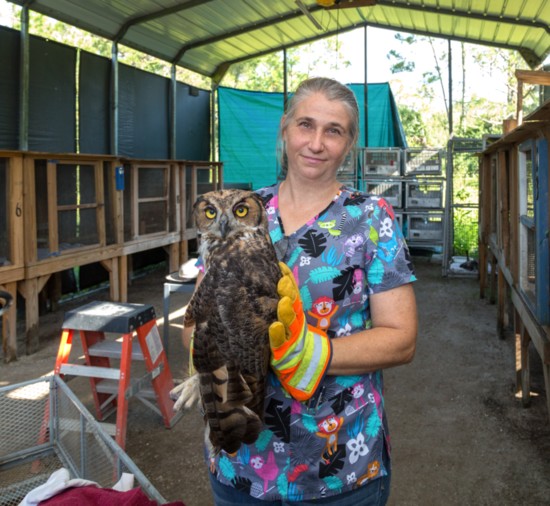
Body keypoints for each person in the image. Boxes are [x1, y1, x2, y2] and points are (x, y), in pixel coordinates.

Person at [182, 77, 417, 505]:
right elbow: (194, 322)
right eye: (305, 125)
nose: (316, 142)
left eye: (334, 130)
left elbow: (401, 339)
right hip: (243, 460)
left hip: (339, 461)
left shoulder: (370, 218)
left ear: (349, 145)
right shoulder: (239, 212)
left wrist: (311, 354)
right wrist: (221, 345)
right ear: (285, 130)